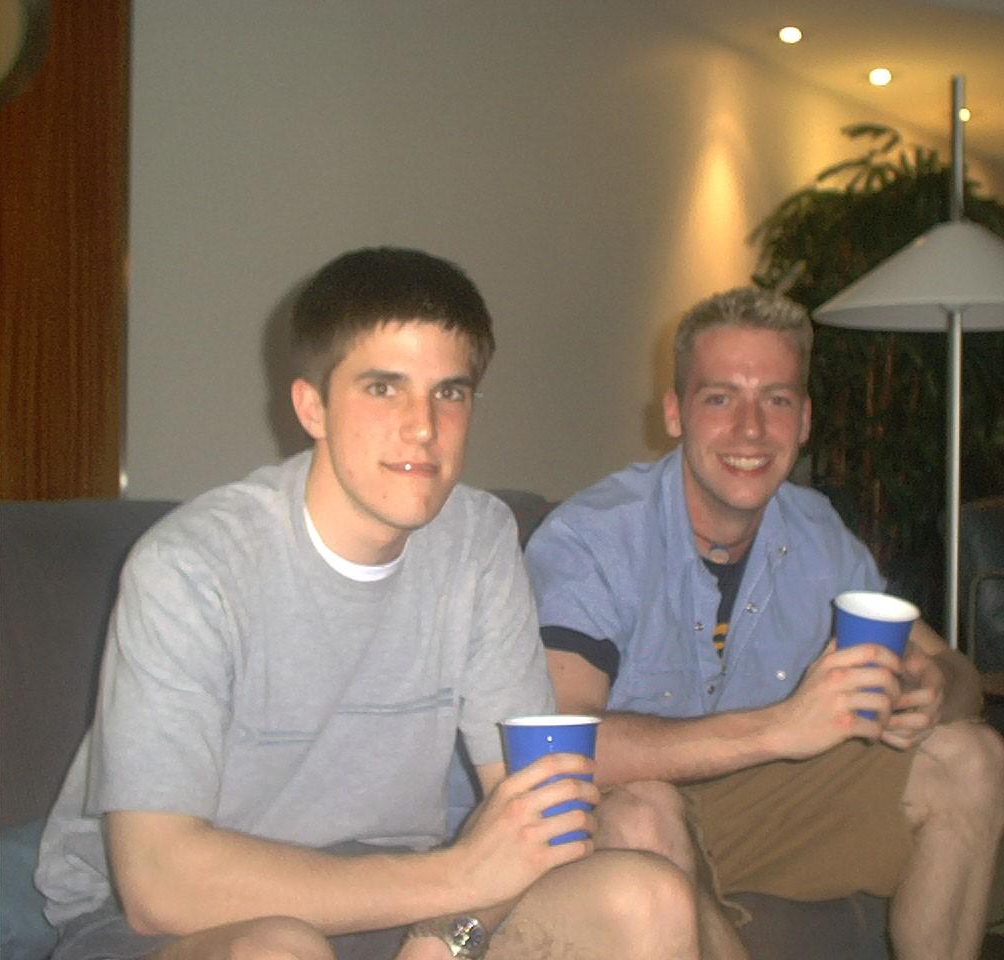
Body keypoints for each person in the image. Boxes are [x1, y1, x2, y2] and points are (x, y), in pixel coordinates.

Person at [34, 247, 705, 960]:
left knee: (647, 897)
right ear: (312, 407)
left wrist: (449, 935)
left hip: (393, 898)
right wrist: (456, 876)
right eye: (384, 388)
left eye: (450, 392)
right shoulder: (192, 567)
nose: (424, 426)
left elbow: (534, 816)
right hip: (173, 922)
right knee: (280, 950)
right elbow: (157, 882)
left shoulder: (479, 543)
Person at [524, 286, 1004, 960]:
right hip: (620, 816)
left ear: (804, 419)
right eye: (720, 398)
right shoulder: (593, 538)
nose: (751, 430)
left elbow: (955, 669)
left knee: (973, 758)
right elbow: (561, 742)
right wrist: (781, 728)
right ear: (675, 413)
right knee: (643, 811)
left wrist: (935, 690)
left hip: (758, 813)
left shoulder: (817, 532)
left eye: (776, 400)